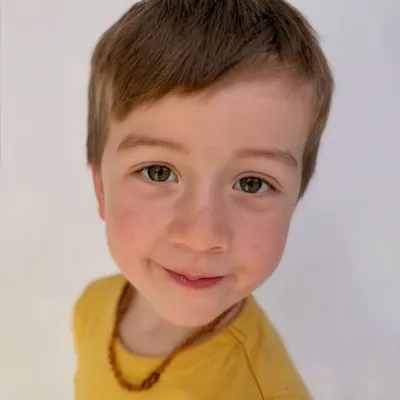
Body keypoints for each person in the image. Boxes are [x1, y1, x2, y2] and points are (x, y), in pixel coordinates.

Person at [73, 0, 334, 398]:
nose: (201, 235)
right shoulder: (92, 307)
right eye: (158, 172)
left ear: (296, 200)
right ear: (101, 190)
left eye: (252, 183)